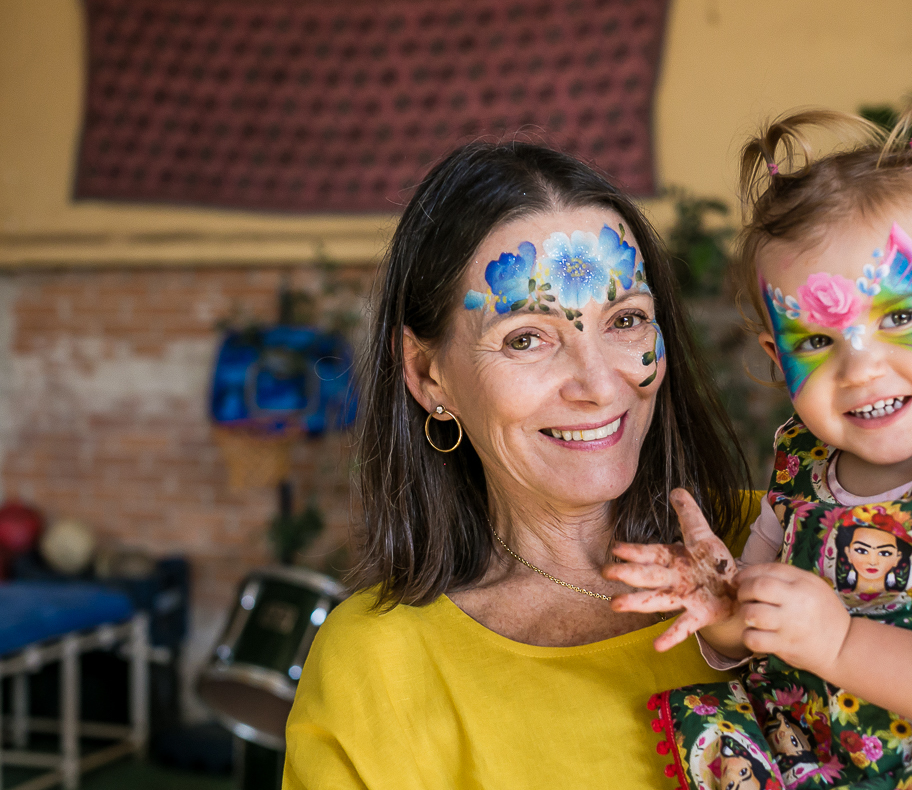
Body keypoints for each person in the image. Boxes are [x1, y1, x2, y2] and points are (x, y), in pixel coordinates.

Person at [605, 89, 912, 789]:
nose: (860, 368)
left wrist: (840, 643)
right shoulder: (804, 468)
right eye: (815, 339)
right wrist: (728, 615)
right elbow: (765, 632)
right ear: (777, 359)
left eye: (901, 317)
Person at [282, 141, 753, 789]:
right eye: (527, 337)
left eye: (626, 320)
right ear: (428, 375)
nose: (598, 385)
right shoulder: (378, 668)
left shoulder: (794, 542)